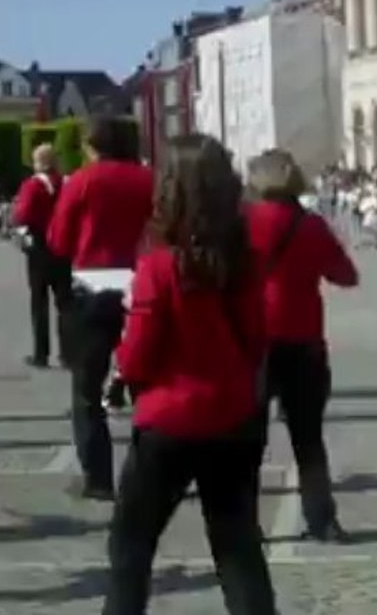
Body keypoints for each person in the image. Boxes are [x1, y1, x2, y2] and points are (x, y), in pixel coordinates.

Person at [104, 133, 276, 615]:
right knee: (238, 549)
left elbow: (137, 359)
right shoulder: (243, 261)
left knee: (130, 548)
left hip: (170, 422)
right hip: (233, 415)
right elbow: (256, 339)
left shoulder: (160, 268)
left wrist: (122, 366)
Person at [246, 149, 357, 542]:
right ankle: (322, 519)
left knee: (248, 440)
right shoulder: (311, 225)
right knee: (308, 439)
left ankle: (246, 524)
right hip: (304, 338)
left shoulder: (245, 222)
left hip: (255, 340)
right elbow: (346, 275)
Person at [47, 117, 154, 501]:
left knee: (87, 389)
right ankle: (150, 473)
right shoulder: (149, 178)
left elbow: (59, 239)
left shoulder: (84, 180)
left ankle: (99, 478)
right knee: (148, 386)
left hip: (92, 282)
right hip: (142, 281)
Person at [13, 143, 72, 369]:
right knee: (65, 302)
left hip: (39, 248)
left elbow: (23, 214)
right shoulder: (66, 183)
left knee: (39, 302)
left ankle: (41, 353)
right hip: (63, 246)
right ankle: (67, 352)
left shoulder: (32, 186)